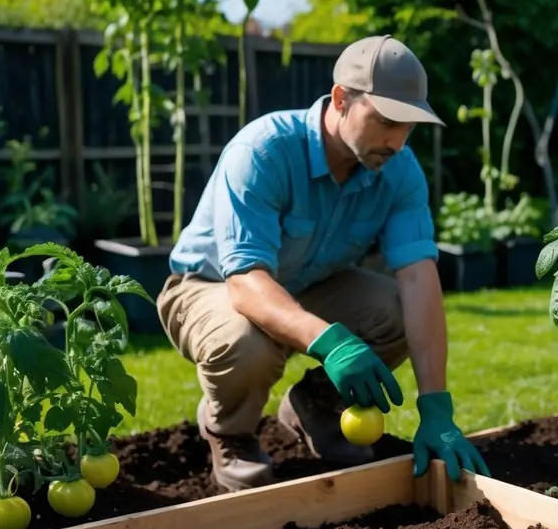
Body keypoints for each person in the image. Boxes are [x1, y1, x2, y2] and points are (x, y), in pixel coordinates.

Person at [157, 33, 491, 492]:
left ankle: (316, 405)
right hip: (209, 285)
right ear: (340, 99)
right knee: (246, 342)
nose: (397, 140)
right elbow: (247, 283)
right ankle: (229, 432)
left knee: (398, 313)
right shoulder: (263, 151)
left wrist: (437, 407)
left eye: (408, 125)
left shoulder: (398, 170)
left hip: (312, 282)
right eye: (385, 120)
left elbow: (419, 280)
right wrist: (330, 342)